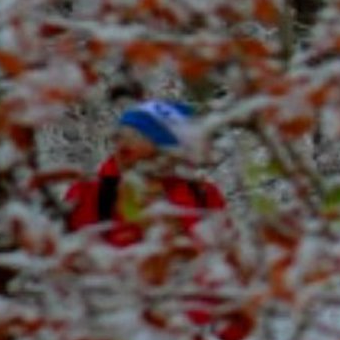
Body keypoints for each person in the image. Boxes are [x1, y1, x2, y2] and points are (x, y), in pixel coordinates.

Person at [64, 99, 227, 245]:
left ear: (167, 148)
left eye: (136, 135)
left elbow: (224, 260)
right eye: (120, 135)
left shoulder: (203, 195)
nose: (122, 143)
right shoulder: (88, 192)